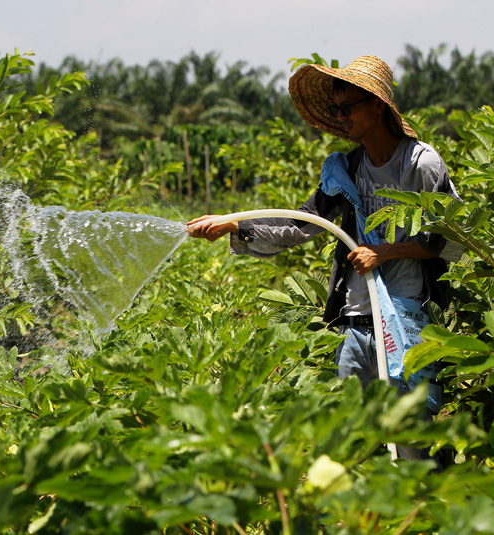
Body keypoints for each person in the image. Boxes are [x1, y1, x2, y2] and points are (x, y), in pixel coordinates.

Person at [187, 56, 462, 458]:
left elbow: (446, 239)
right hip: (355, 320)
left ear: (377, 106)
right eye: (336, 109)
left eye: (347, 107)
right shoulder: (346, 169)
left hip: (405, 319)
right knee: (353, 439)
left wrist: (383, 253)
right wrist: (235, 224)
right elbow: (302, 223)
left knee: (410, 438)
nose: (341, 116)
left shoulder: (419, 164)